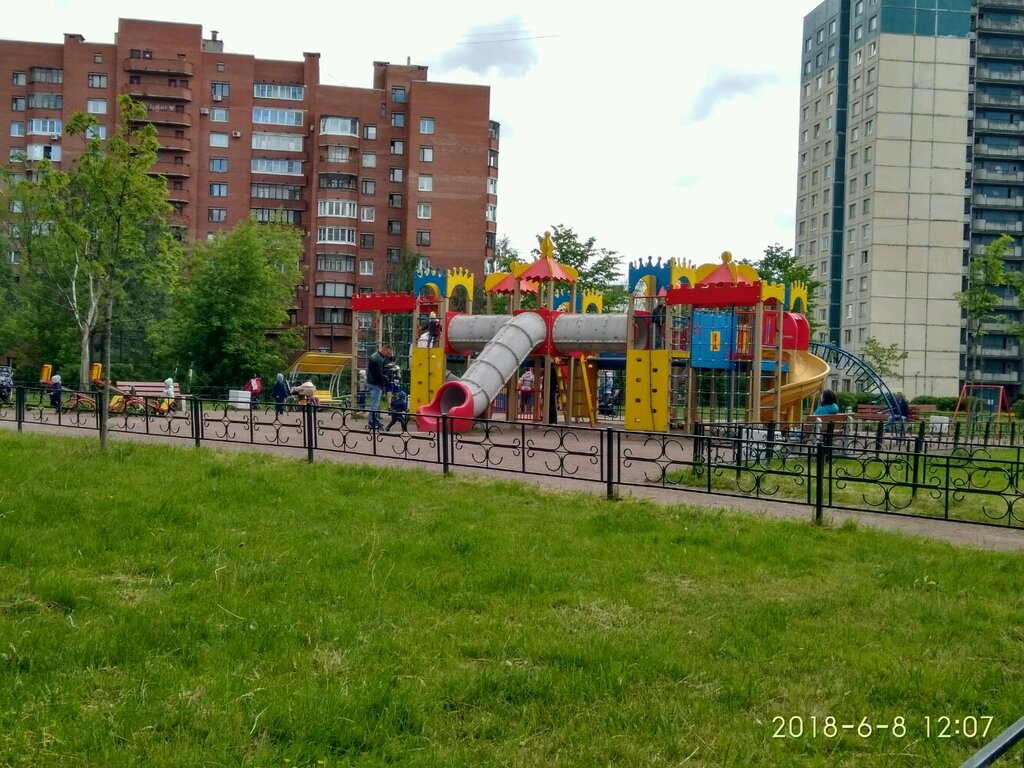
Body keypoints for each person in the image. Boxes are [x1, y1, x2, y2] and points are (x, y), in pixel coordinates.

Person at [366, 343, 392, 430]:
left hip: (370, 382)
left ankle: (374, 421)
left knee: (374, 403)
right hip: (376, 383)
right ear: (384, 349)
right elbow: (379, 373)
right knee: (375, 404)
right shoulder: (379, 359)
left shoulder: (374, 356)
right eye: (388, 353)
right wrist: (384, 383)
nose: (388, 355)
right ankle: (372, 422)